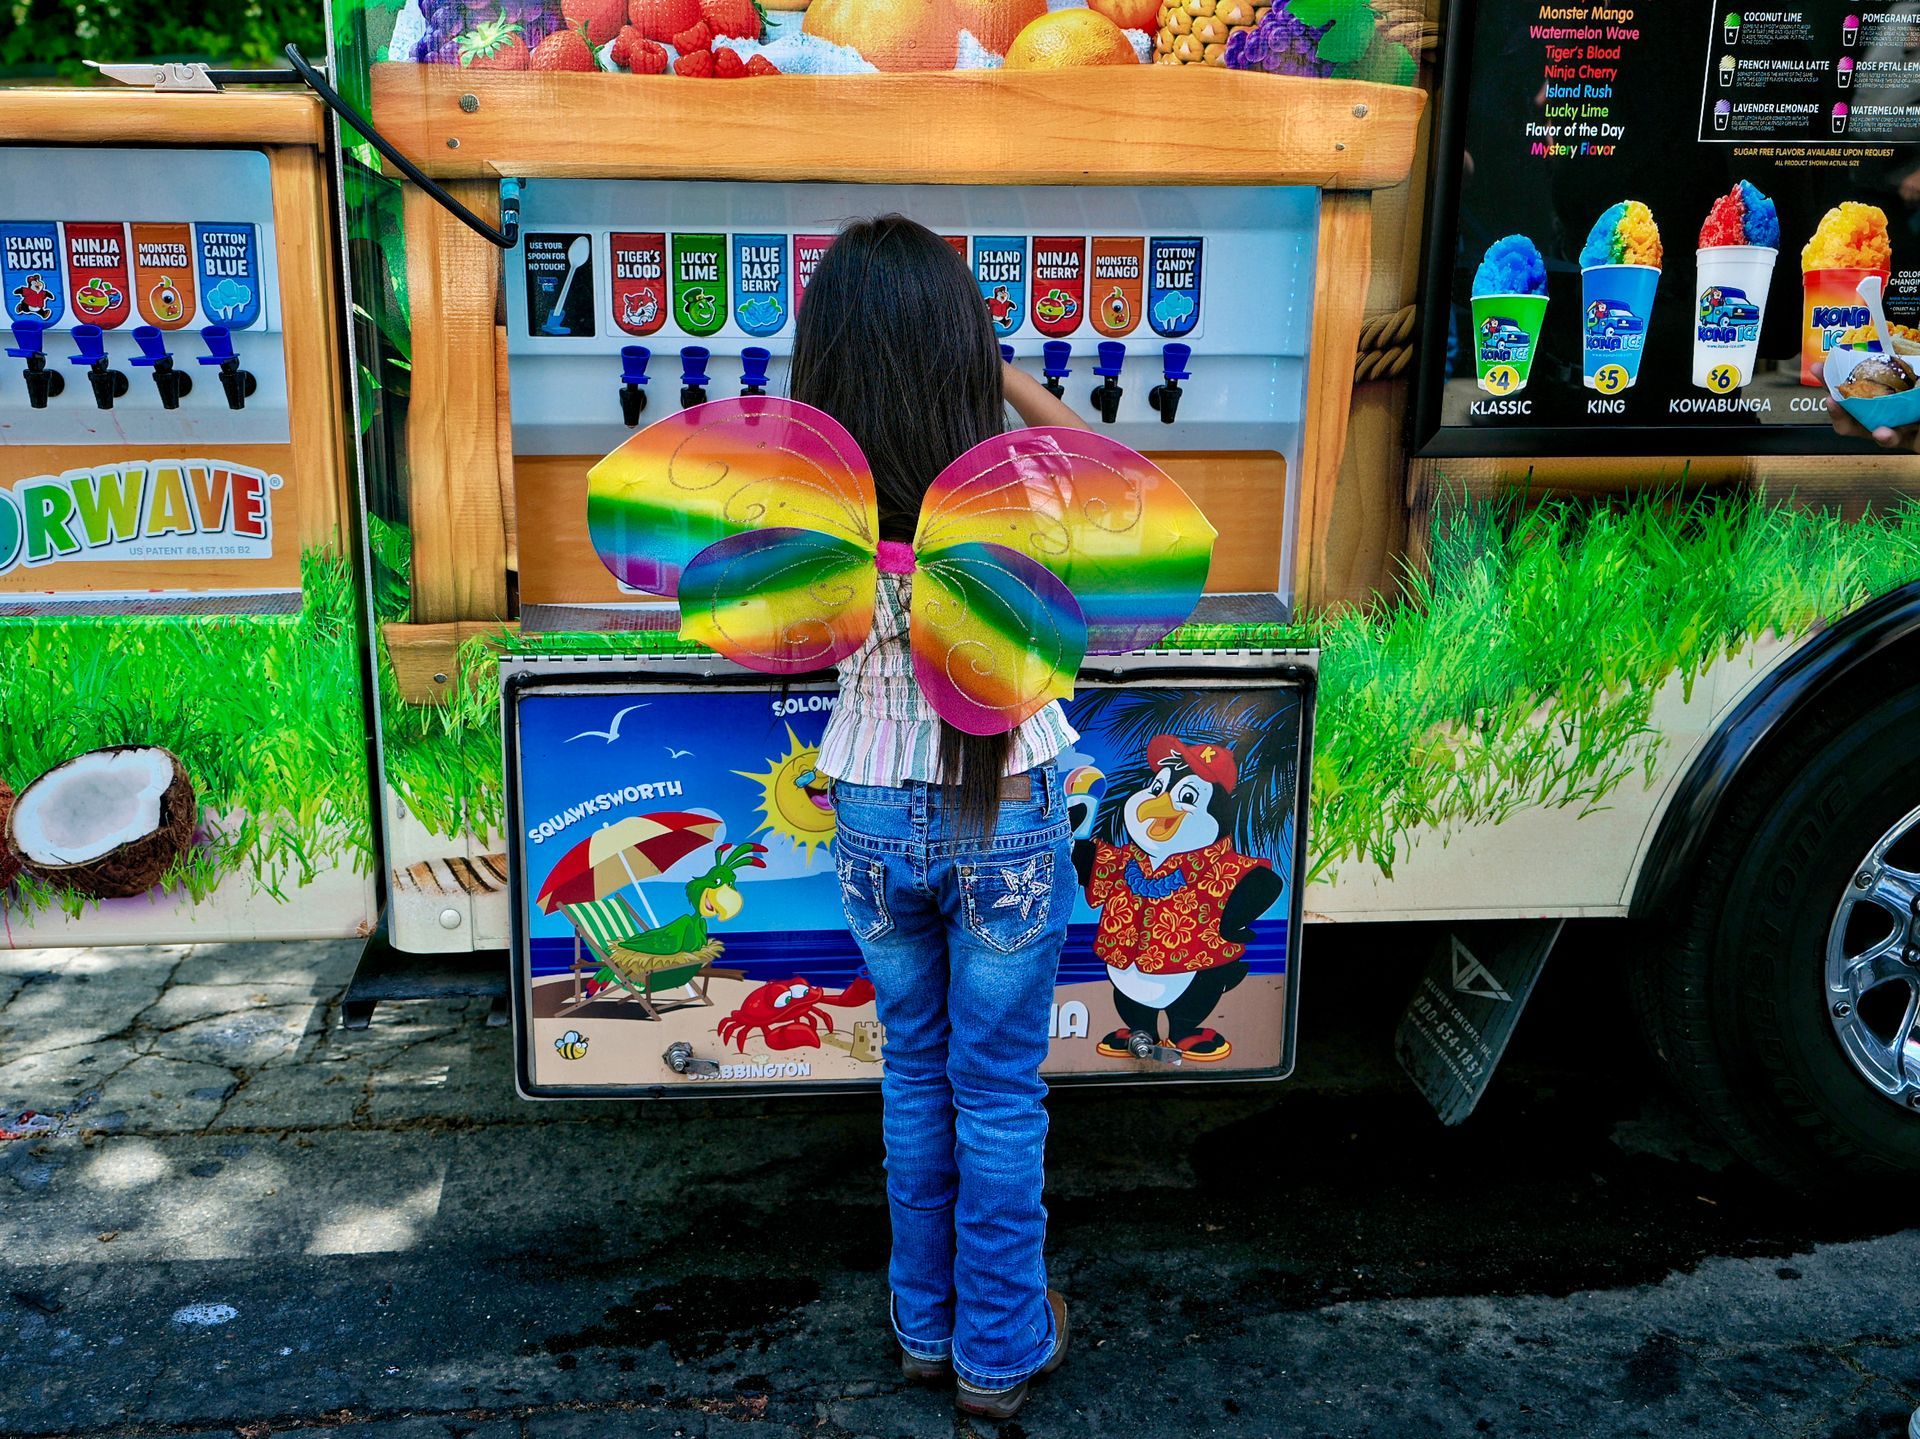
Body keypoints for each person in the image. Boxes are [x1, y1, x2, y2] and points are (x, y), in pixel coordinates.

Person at [792, 215, 1087, 1420]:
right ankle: (1001, 1348)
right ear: (961, 349)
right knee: (1000, 1090)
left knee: (913, 1073)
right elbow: (1113, 471)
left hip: (866, 809)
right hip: (1006, 802)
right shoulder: (1015, 498)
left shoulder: (817, 515)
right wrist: (1002, 365)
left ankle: (924, 1326)